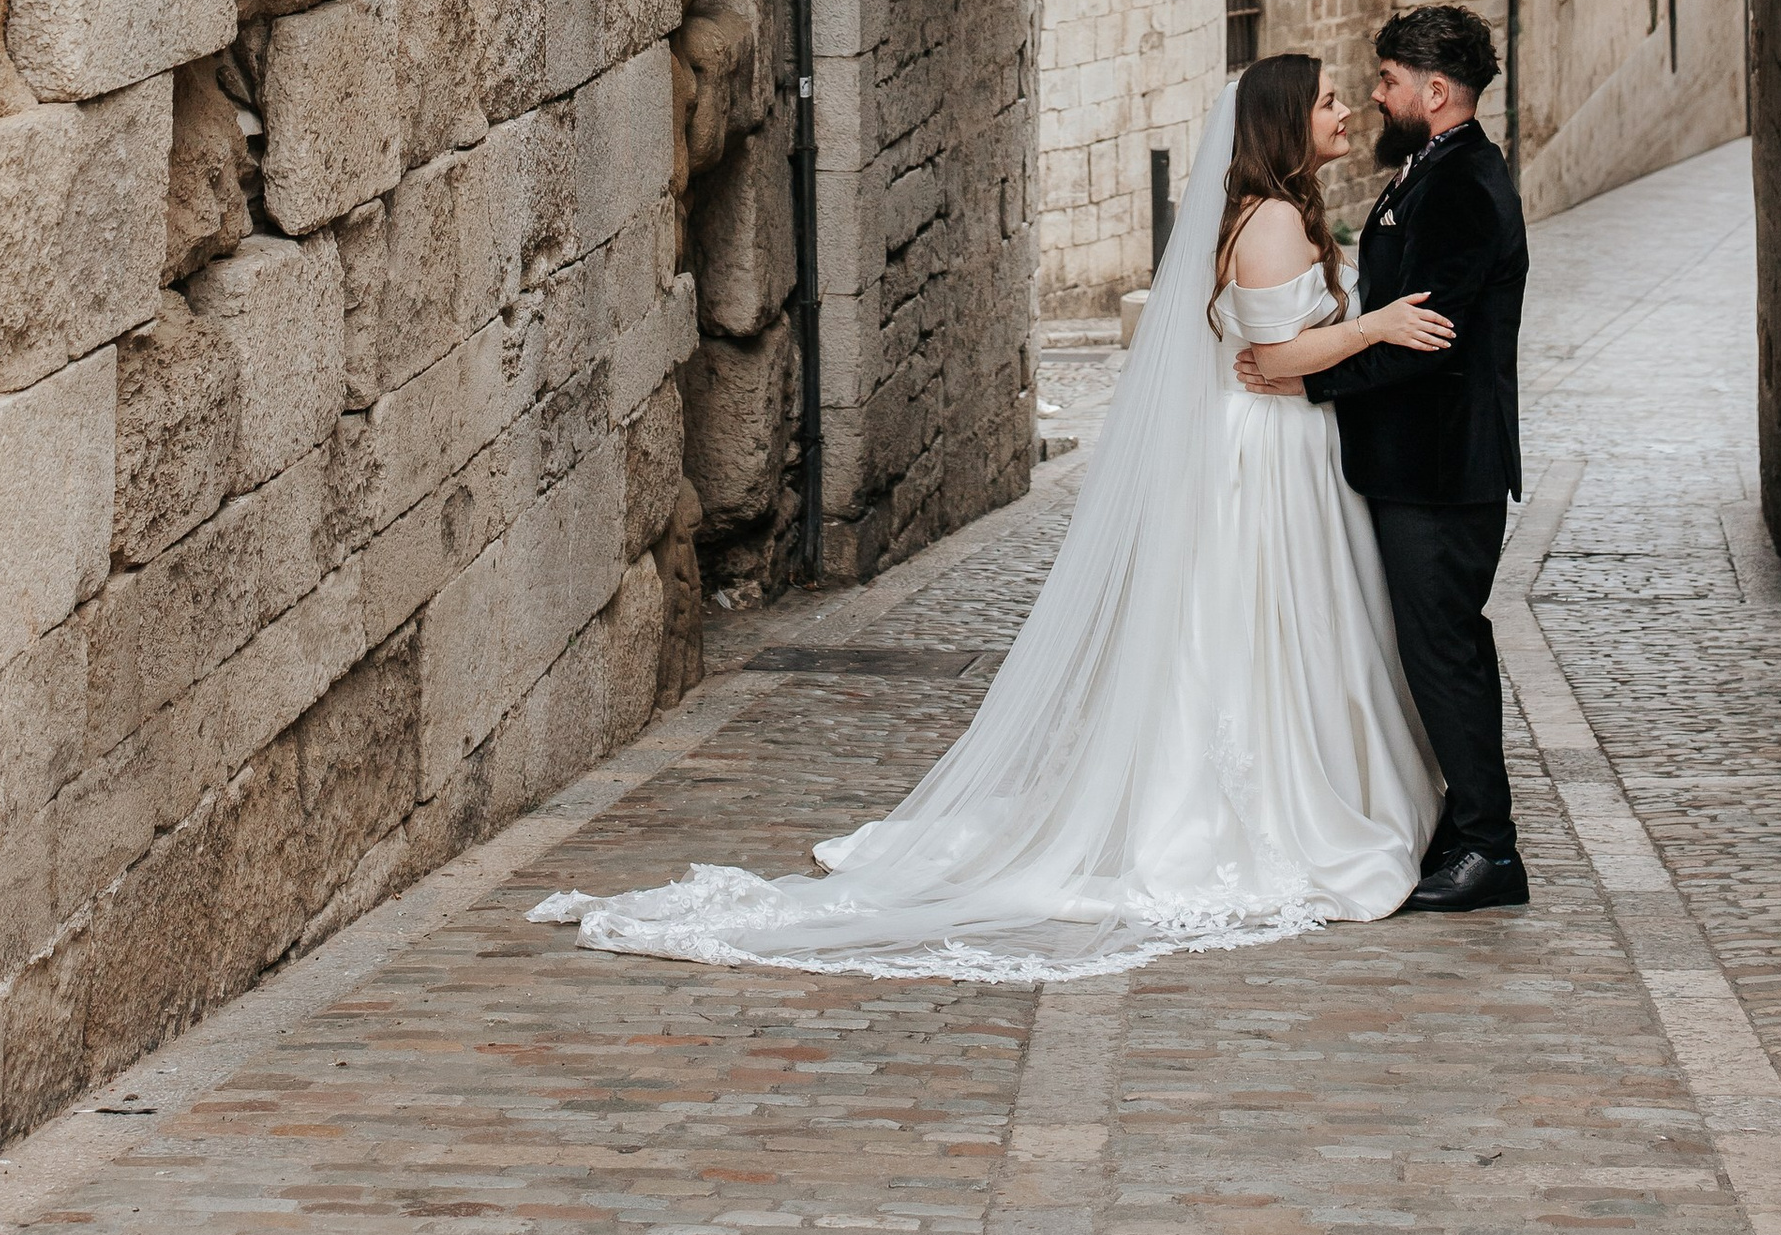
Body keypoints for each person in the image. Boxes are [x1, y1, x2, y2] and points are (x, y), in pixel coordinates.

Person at [528, 54, 1456, 981]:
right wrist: (1373, 328)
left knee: (1262, 633)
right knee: (1258, 631)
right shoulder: (1275, 221)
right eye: (1330, 100)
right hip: (1266, 456)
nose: (1344, 110)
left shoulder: (1270, 214)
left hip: (1276, 446)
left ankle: (1298, 778)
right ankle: (1276, 803)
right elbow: (1280, 352)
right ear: (1286, 123)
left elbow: (1274, 354)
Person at [1234, 2, 1528, 912]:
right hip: (1410, 467)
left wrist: (1306, 383)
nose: (1375, 96)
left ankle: (1490, 849)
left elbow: (1424, 337)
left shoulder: (1467, 183)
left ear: (1434, 92)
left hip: (1441, 472)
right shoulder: (1425, 173)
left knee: (1446, 652)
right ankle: (1461, 828)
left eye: (1389, 82)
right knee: (1428, 651)